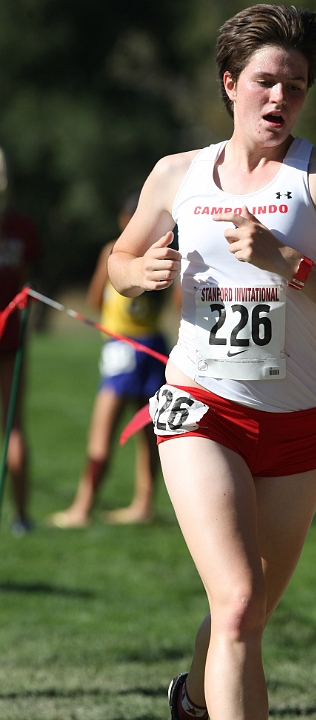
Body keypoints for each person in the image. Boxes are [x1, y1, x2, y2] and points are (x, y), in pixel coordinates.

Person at [108, 5, 316, 720]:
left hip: (300, 424)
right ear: (230, 83)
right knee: (236, 603)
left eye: (295, 86)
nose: (280, 98)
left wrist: (292, 264)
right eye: (266, 81)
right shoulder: (177, 174)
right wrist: (136, 272)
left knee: (250, 611)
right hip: (201, 410)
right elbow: (119, 259)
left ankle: (193, 701)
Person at [48, 191, 170, 528]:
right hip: (155, 345)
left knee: (103, 430)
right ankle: (144, 503)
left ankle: (82, 508)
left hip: (122, 345)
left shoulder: (114, 250)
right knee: (149, 430)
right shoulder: (165, 253)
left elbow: (94, 296)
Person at [0, 147, 42, 536]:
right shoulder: (20, 227)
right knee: (13, 426)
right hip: (11, 339)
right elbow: (26, 283)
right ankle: (22, 516)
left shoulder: (21, 228)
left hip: (10, 338)